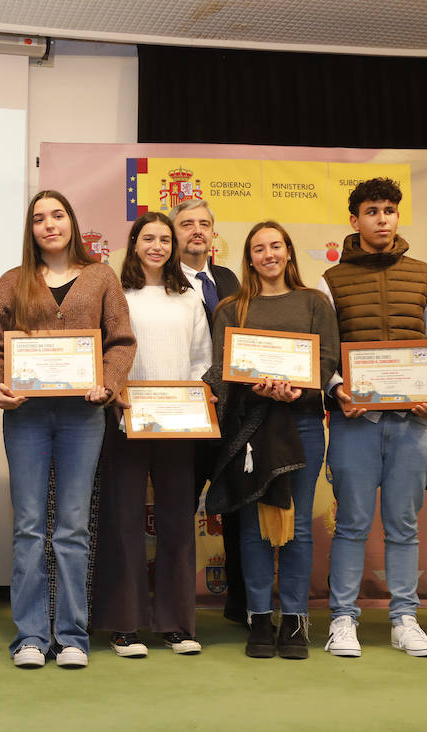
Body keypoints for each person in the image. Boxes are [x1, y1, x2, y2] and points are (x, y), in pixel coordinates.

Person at [0, 190, 135, 669]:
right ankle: (29, 636)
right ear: (30, 229)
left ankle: (71, 637)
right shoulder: (12, 281)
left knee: (71, 528)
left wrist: (107, 385)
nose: (49, 225)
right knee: (28, 527)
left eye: (58, 215)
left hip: (82, 417)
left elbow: (122, 342)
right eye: (39, 218)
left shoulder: (101, 277)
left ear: (72, 222)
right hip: (26, 417)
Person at [316, 177, 427, 658]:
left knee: (402, 525)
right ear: (354, 220)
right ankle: (342, 619)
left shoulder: (425, 274)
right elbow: (325, 351)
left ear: (398, 217)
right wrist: (337, 391)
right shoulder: (330, 280)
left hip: (414, 421)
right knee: (352, 524)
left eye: (389, 211)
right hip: (357, 422)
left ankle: (405, 619)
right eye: (371, 211)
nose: (381, 219)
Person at [204, 222, 339, 660]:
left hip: (300, 423)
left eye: (275, 246)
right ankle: (259, 618)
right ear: (249, 257)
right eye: (259, 248)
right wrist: (252, 389)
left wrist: (300, 388)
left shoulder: (314, 302)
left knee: (297, 526)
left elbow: (328, 359)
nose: (268, 255)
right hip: (250, 429)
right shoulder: (232, 308)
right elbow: (225, 370)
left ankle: (296, 621)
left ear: (288, 252)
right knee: (253, 529)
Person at [91, 211, 211, 658]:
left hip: (179, 424)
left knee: (177, 522)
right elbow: (105, 353)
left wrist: (199, 397)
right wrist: (114, 391)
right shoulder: (116, 293)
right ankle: (125, 625)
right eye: (148, 238)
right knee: (123, 522)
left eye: (165, 238)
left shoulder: (188, 298)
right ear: (134, 243)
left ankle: (177, 624)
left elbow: (202, 361)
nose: (157, 245)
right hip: (125, 420)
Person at [172, 198, 246, 623]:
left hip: (232, 416)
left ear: (214, 233)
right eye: (186, 224)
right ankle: (178, 610)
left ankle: (240, 604)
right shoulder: (162, 282)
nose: (197, 231)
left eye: (204, 224)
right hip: (185, 414)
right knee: (179, 509)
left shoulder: (228, 278)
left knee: (237, 508)